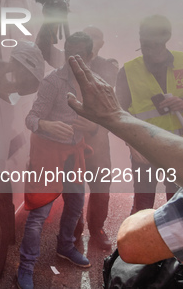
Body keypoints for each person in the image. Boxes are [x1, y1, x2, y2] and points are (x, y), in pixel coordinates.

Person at [67, 54, 183, 264]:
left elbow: (133, 243)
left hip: (178, 156)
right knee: (144, 198)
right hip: (153, 155)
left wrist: (114, 118)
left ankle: (168, 261)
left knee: (170, 200)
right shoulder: (129, 69)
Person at [17, 32, 96, 289]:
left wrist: (93, 126)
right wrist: (47, 125)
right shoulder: (52, 82)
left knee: (74, 205)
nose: (72, 60)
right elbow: (30, 119)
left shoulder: (94, 84)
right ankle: (25, 267)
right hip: (47, 155)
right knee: (39, 214)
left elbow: (101, 122)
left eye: (79, 55)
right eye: (68, 53)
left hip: (75, 154)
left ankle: (65, 246)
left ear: (90, 56)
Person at [115, 15, 183, 214]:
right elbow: (117, 114)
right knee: (143, 203)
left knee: (178, 203)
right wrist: (131, 144)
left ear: (167, 37)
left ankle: (174, 244)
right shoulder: (128, 71)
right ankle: (134, 243)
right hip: (144, 148)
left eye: (153, 41)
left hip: (180, 147)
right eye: (144, 40)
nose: (147, 46)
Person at [73, 26, 119, 250]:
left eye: (97, 37)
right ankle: (74, 227)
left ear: (101, 44)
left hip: (98, 136)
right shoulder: (69, 64)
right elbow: (45, 49)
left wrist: (95, 127)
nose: (93, 41)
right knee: (73, 185)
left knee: (101, 185)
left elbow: (111, 104)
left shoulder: (107, 67)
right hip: (71, 136)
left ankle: (97, 228)